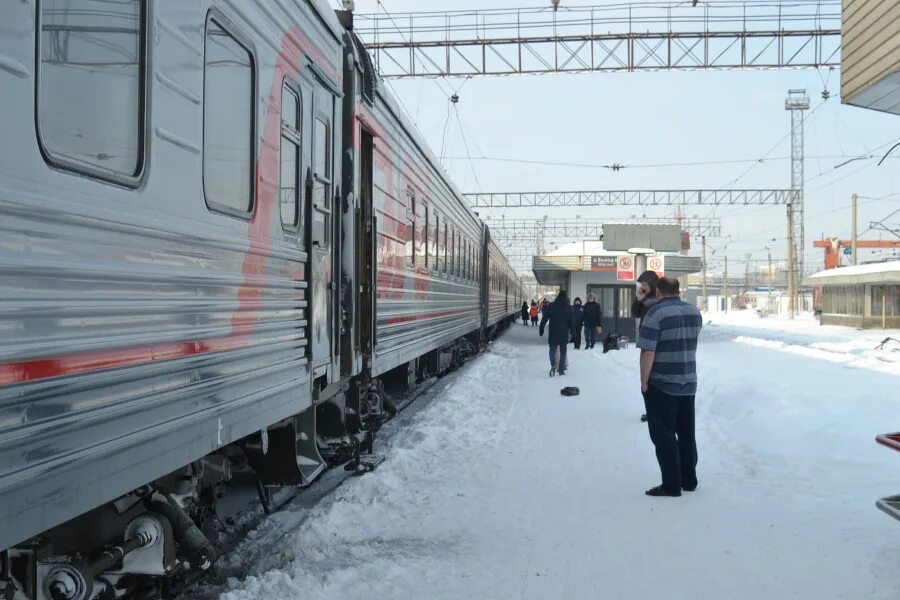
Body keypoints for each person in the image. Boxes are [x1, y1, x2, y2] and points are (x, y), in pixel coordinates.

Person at [636, 277, 702, 498]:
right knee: (686, 433)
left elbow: (647, 352)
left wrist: (644, 381)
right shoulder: (694, 312)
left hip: (662, 383)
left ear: (658, 292)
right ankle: (689, 479)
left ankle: (671, 485)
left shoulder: (656, 314)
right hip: (688, 381)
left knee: (663, 435)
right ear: (678, 291)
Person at [633, 271, 659, 422]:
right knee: (646, 378)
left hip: (655, 341)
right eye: (641, 284)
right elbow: (635, 313)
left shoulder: (658, 298)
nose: (642, 287)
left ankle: (654, 411)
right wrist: (639, 299)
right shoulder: (644, 298)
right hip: (646, 340)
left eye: (644, 284)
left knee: (651, 378)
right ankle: (650, 410)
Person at [539, 291, 572, 377]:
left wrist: (541, 329)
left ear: (558, 296)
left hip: (553, 332)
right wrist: (574, 332)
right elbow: (572, 321)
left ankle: (553, 365)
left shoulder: (551, 305)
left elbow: (544, 318)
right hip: (564, 333)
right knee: (563, 351)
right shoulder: (568, 307)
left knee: (552, 350)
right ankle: (561, 369)